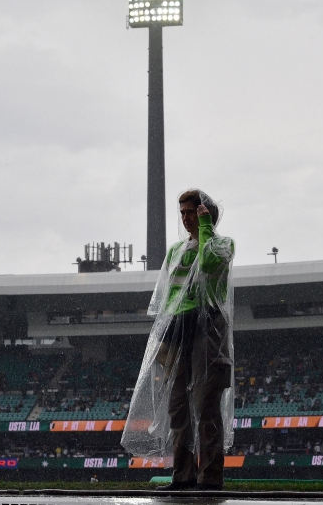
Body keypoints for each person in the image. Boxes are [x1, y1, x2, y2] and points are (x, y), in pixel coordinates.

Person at [121, 189, 236, 491]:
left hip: (207, 324)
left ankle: (210, 476)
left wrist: (206, 228)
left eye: (192, 212)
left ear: (206, 213)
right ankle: (183, 474)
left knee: (206, 401)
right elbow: (165, 296)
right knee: (177, 404)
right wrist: (164, 330)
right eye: (182, 213)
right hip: (177, 326)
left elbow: (210, 265)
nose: (185, 218)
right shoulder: (175, 251)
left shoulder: (222, 245)